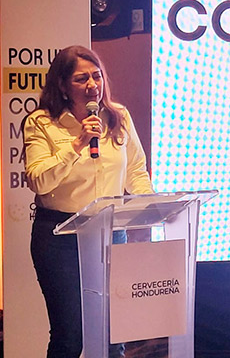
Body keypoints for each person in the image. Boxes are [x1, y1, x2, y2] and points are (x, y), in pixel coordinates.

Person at [23, 45, 154, 357]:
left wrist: (149, 208)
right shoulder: (41, 123)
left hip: (110, 234)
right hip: (60, 237)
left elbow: (135, 171)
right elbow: (38, 181)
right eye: (82, 79)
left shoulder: (118, 116)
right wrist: (78, 143)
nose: (93, 84)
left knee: (112, 336)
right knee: (71, 336)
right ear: (62, 85)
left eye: (97, 76)